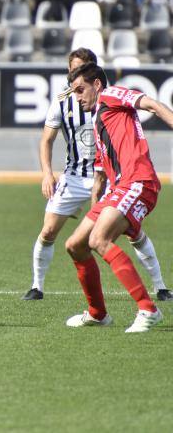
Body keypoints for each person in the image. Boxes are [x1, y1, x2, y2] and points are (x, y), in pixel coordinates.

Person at [23, 48, 171, 302]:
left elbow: (151, 104)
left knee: (126, 235)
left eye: (82, 70)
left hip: (122, 179)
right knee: (57, 235)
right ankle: (39, 287)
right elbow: (47, 140)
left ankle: (157, 293)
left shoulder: (109, 96)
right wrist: (47, 173)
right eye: (73, 71)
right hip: (77, 176)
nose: (76, 78)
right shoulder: (64, 102)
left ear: (94, 77)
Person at [63, 62, 173, 332]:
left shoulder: (111, 95)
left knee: (98, 240)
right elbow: (101, 170)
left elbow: (153, 105)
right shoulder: (98, 118)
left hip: (138, 181)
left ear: (97, 84)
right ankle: (98, 314)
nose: (78, 98)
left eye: (80, 90)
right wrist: (96, 203)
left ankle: (148, 309)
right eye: (74, 93)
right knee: (75, 244)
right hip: (117, 189)